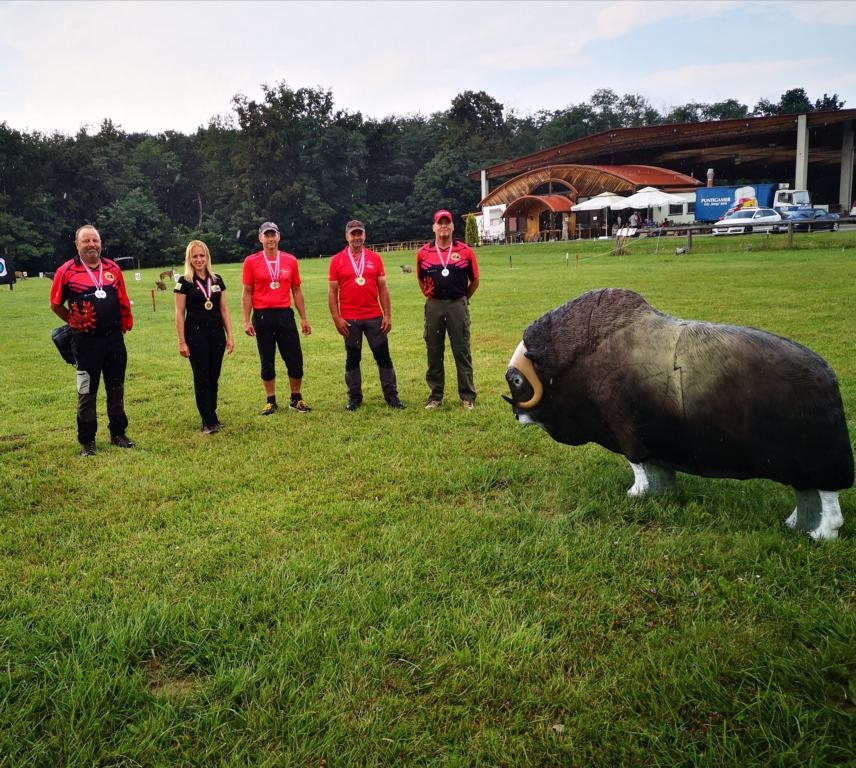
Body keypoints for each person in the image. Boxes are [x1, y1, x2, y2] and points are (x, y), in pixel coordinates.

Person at [49, 224, 135, 456]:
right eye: (86, 241)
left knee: (116, 387)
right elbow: (55, 304)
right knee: (87, 390)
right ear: (77, 245)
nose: (91, 245)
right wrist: (74, 321)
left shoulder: (113, 268)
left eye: (95, 240)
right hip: (85, 343)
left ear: (100, 243)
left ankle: (118, 433)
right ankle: (87, 441)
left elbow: (122, 299)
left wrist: (125, 322)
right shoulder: (66, 271)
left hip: (114, 340)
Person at [328, 219, 404, 411]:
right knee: (353, 358)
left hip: (374, 317)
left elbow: (383, 288)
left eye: (359, 233)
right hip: (349, 319)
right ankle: (354, 398)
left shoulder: (375, 258)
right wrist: (337, 318)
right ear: (347, 236)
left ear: (364, 235)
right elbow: (332, 292)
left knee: (383, 356)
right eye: (353, 234)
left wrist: (387, 315)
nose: (356, 237)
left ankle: (392, 396)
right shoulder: (337, 260)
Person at [241, 221, 312, 414]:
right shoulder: (251, 261)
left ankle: (296, 398)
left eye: (273, 235)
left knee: (295, 358)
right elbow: (247, 292)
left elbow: (296, 290)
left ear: (278, 236)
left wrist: (304, 318)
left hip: (284, 314)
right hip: (262, 316)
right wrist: (246, 320)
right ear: (260, 238)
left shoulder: (290, 260)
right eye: (267, 235)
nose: (270, 239)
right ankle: (270, 400)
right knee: (267, 359)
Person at [416, 209, 479, 410]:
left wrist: (463, 299)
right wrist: (431, 296)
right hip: (434, 305)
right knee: (434, 351)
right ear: (434, 227)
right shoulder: (423, 253)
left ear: (452, 226)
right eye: (440, 223)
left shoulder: (465, 251)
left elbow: (475, 280)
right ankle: (436, 396)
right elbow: (420, 279)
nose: (443, 226)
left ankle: (467, 396)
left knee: (462, 350)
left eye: (447, 222)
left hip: (457, 304)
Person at [174, 240, 235, 433]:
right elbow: (179, 313)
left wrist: (230, 336)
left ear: (207, 257)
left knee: (213, 375)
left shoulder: (217, 280)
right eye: (195, 256)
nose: (199, 260)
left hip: (216, 334)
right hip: (195, 335)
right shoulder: (184, 282)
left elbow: (224, 310)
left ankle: (213, 414)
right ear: (189, 259)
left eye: (202, 255)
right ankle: (207, 420)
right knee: (201, 377)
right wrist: (182, 341)